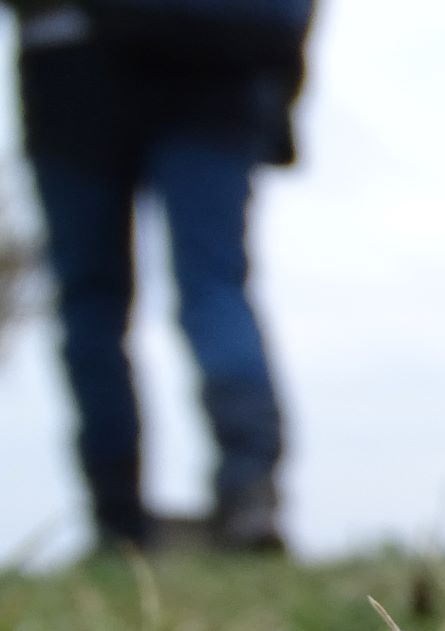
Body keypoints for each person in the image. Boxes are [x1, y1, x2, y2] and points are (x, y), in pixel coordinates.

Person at [12, 0, 313, 555]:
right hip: (220, 66)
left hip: (74, 64)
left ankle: (117, 519)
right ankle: (250, 496)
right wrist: (283, 80)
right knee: (215, 288)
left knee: (91, 302)